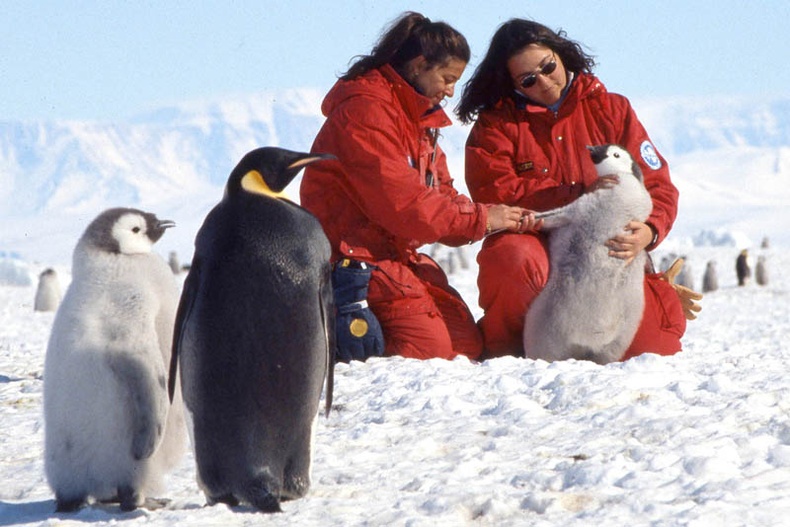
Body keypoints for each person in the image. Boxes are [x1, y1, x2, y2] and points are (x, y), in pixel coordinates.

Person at [456, 18, 701, 360]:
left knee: (650, 349)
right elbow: (495, 189)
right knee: (511, 259)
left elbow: (656, 182)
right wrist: (579, 196)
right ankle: (509, 353)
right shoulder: (497, 125)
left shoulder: (611, 110)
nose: (544, 81)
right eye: (528, 79)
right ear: (511, 84)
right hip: (535, 242)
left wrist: (649, 230)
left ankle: (652, 304)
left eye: (547, 66)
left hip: (604, 245)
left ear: (561, 53)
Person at [300, 12, 534, 361]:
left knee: (464, 347)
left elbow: (440, 193)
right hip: (353, 261)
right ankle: (340, 340)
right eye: (447, 78)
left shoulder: (416, 119)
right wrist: (484, 219)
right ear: (420, 65)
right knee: (432, 355)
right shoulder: (365, 113)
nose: (451, 90)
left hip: (396, 260)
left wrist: (493, 217)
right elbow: (405, 205)